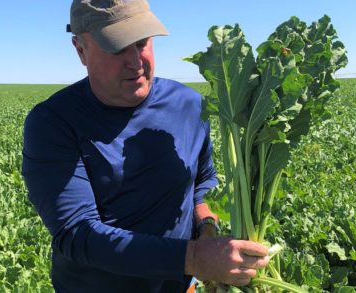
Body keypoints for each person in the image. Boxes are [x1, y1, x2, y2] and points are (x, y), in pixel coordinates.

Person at [21, 0, 270, 292]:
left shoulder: (188, 105)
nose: (136, 62)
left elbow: (202, 182)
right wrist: (194, 257)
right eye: (116, 48)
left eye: (141, 43)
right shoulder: (53, 122)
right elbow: (77, 233)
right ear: (80, 50)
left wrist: (206, 229)